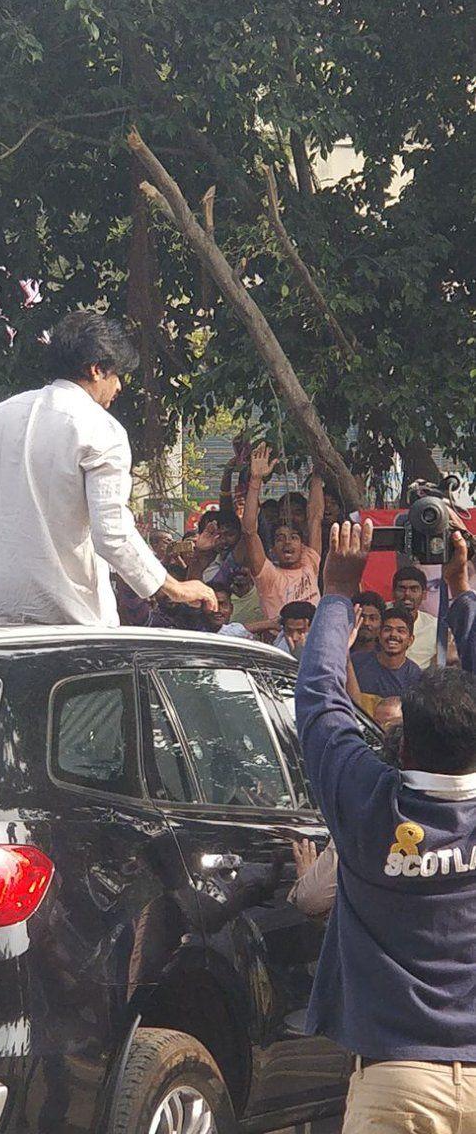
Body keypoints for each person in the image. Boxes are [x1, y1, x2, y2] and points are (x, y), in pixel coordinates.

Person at [297, 519, 476, 1134]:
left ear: (399, 749)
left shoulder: (367, 802)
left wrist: (338, 595)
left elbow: (320, 702)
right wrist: (462, 591)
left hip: (393, 1085)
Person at [0, 312, 217, 625]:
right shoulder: (102, 430)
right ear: (96, 369)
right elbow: (111, 534)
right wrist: (174, 588)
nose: (119, 385)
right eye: (116, 374)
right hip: (68, 624)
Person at [241, 445, 324, 620]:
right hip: (281, 643)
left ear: (302, 546)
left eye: (293, 537)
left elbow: (315, 517)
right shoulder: (268, 575)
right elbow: (249, 531)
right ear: (272, 549)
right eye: (280, 539)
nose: (287, 542)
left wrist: (318, 470)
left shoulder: (310, 561)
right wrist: (255, 479)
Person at [349, 605, 422, 715]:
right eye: (387, 630)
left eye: (400, 631)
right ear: (379, 635)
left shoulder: (415, 677)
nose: (393, 635)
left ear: (410, 640)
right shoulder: (355, 662)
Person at [393, 565, 440, 669]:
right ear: (393, 592)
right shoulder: (379, 618)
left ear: (424, 595)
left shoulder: (435, 627)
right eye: (402, 589)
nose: (407, 594)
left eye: (414, 589)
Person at [351, 590, 385, 655]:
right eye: (361, 617)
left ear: (381, 623)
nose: (366, 623)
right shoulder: (341, 651)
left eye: (373, 618)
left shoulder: (386, 656)